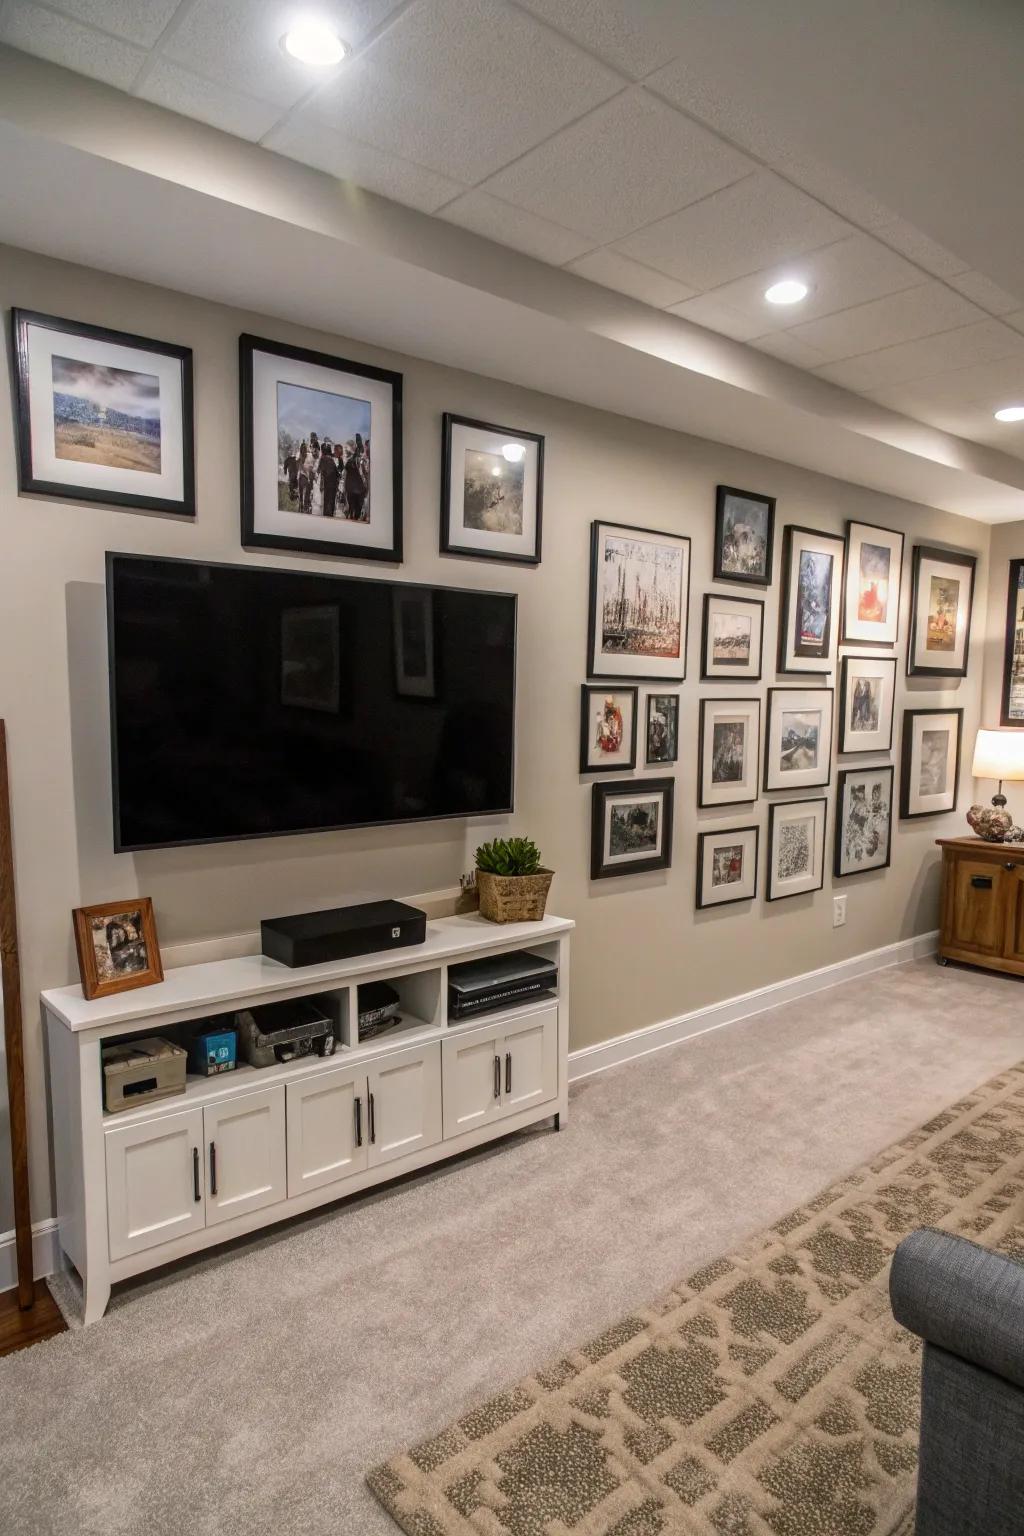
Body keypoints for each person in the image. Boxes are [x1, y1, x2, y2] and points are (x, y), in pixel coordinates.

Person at [343, 437, 367, 522]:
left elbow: (364, 474)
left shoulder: (358, 459)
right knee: (352, 512)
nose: (345, 449)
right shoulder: (348, 461)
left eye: (347, 447)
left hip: (358, 490)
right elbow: (345, 476)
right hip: (353, 490)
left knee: (355, 512)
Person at [319, 438, 339, 518]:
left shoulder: (323, 459)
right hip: (333, 483)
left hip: (328, 483)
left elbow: (321, 472)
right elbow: (337, 473)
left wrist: (321, 484)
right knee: (331, 501)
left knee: (327, 500)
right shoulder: (333, 458)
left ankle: (327, 516)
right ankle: (330, 516)